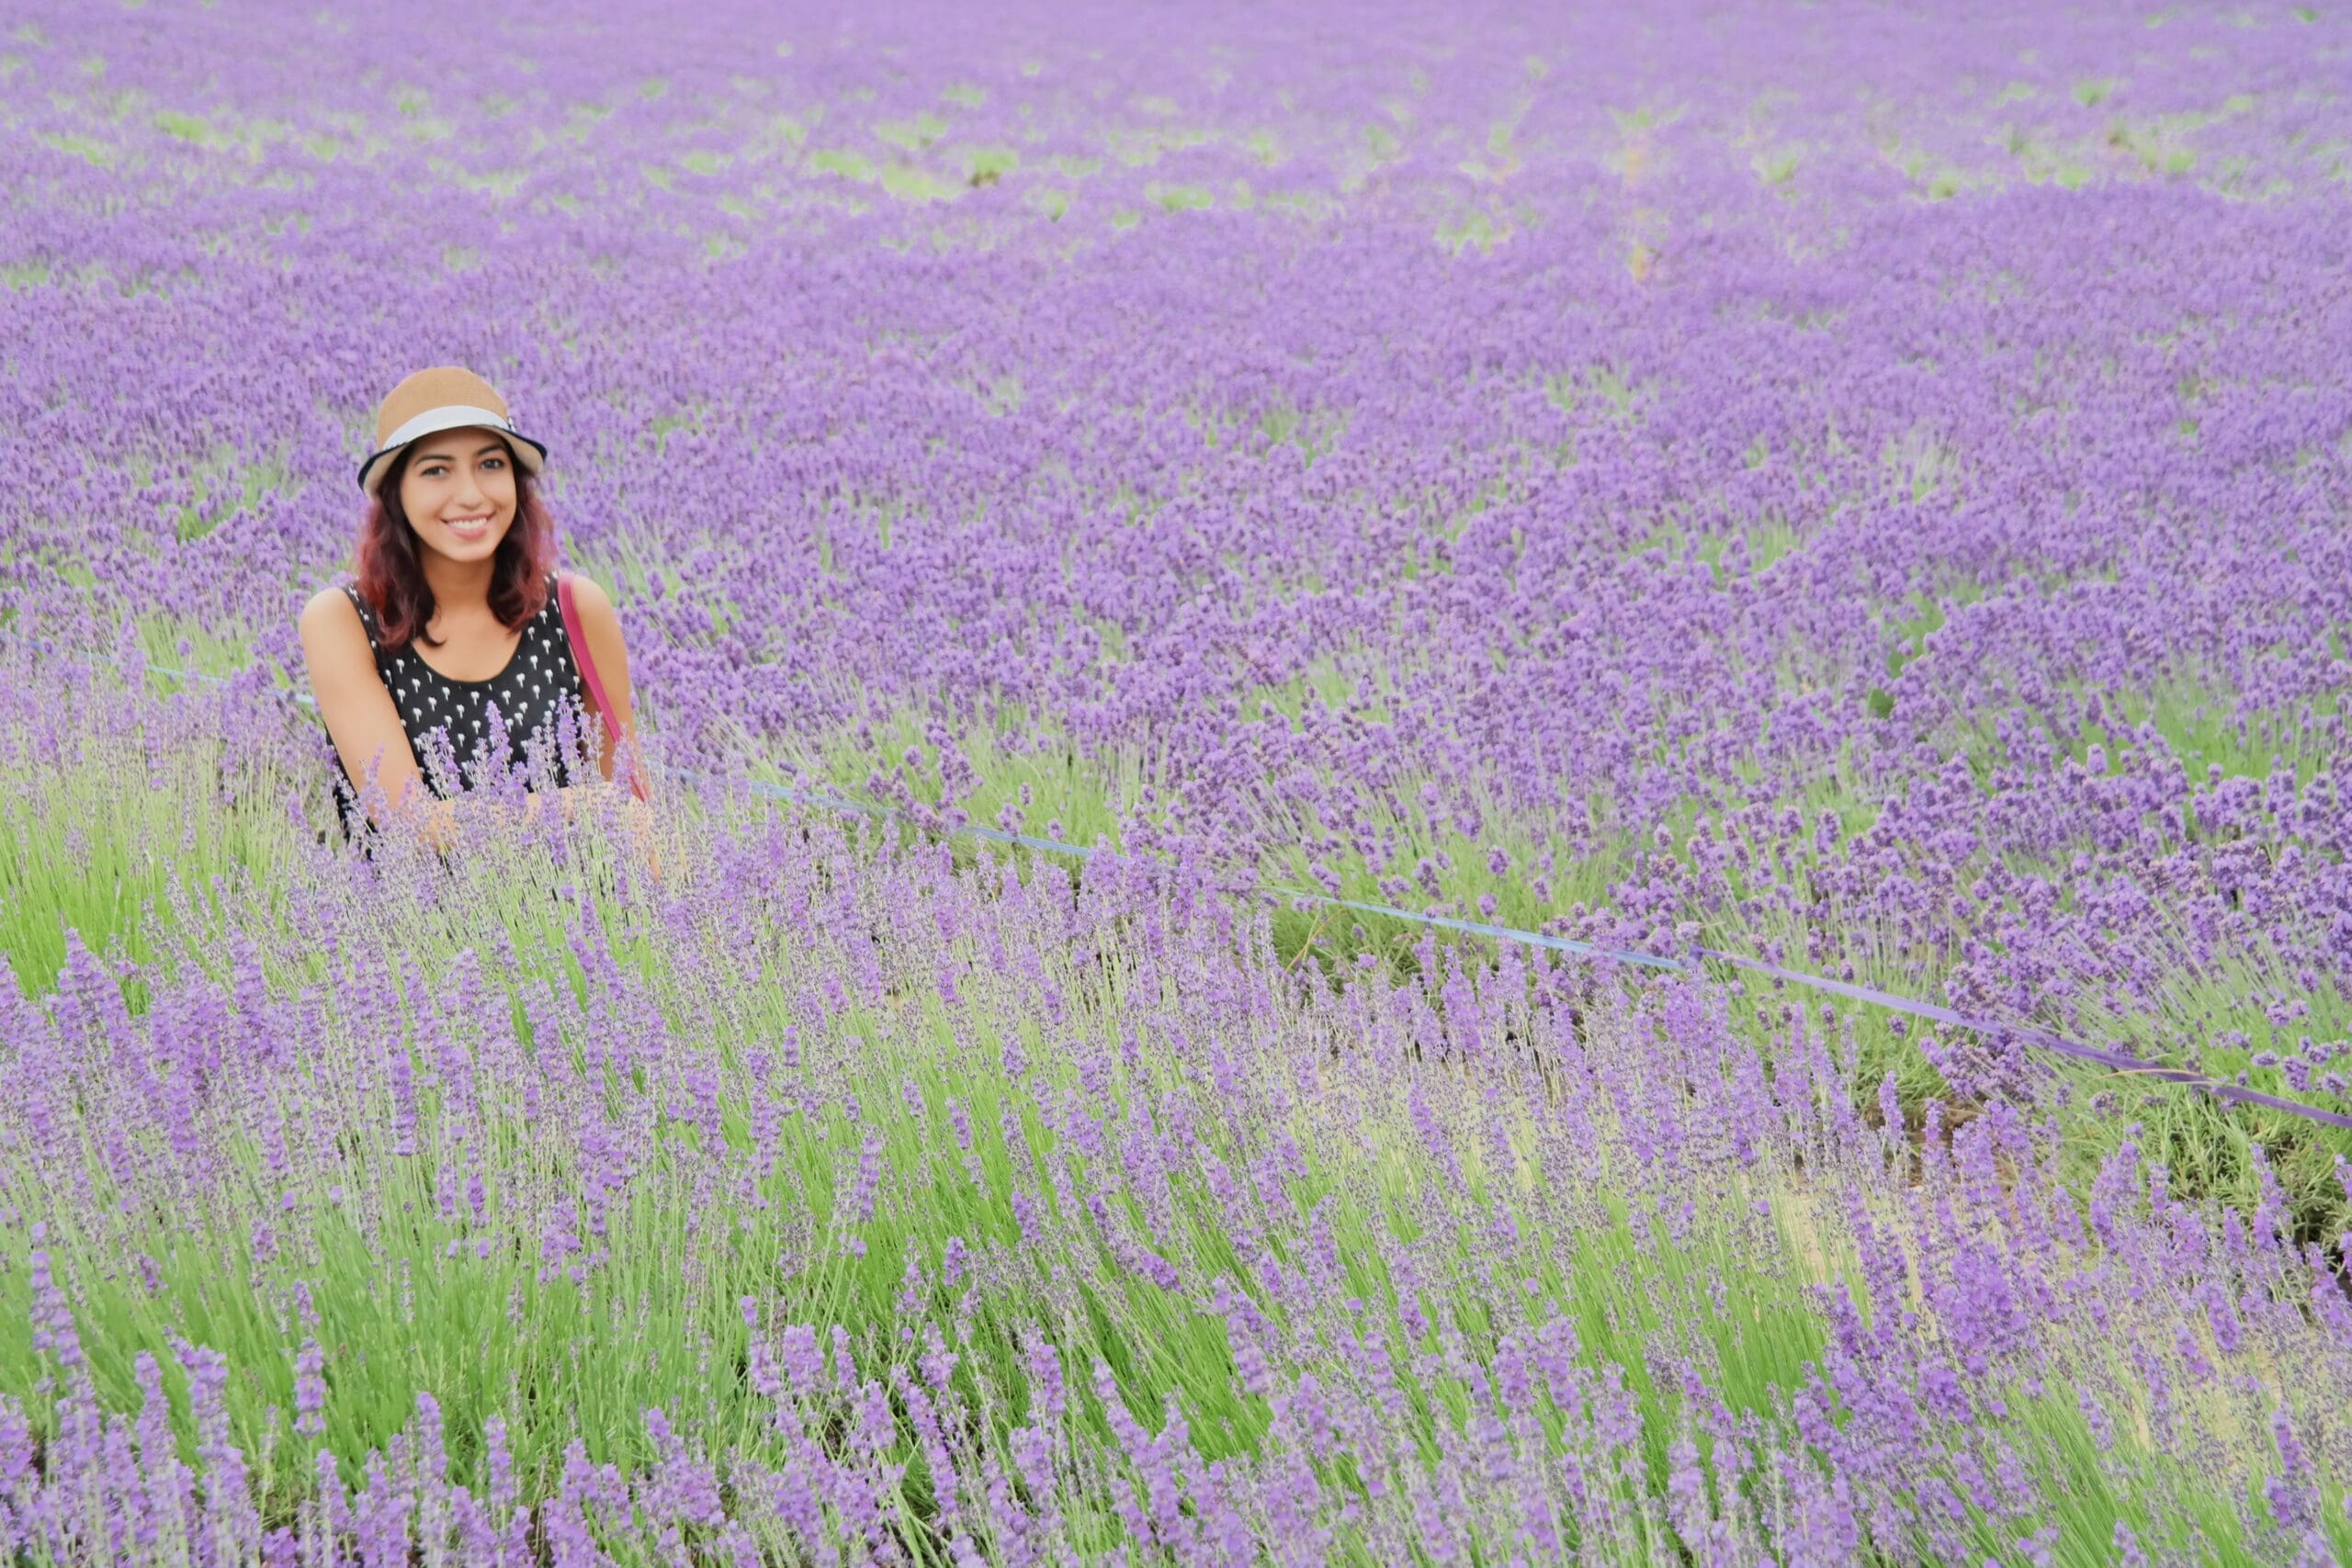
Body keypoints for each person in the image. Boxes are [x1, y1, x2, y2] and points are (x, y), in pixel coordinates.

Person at [300, 366, 653, 863]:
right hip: (407, 933)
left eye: (490, 464)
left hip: (576, 931)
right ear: (396, 494)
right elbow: (406, 821)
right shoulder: (342, 620)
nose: (470, 494)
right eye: (436, 470)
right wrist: (580, 806)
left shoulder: (575, 608)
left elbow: (631, 800)